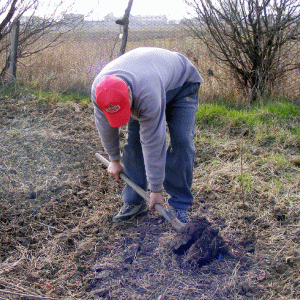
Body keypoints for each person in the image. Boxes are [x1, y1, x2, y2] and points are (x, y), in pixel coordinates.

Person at [91, 47, 203, 224]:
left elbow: (154, 141)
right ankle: (134, 201)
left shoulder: (145, 92)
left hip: (182, 84)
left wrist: (156, 190)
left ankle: (179, 206)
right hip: (153, 79)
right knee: (133, 143)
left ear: (128, 93)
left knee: (182, 141)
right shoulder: (99, 92)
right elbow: (105, 126)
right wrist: (114, 159)